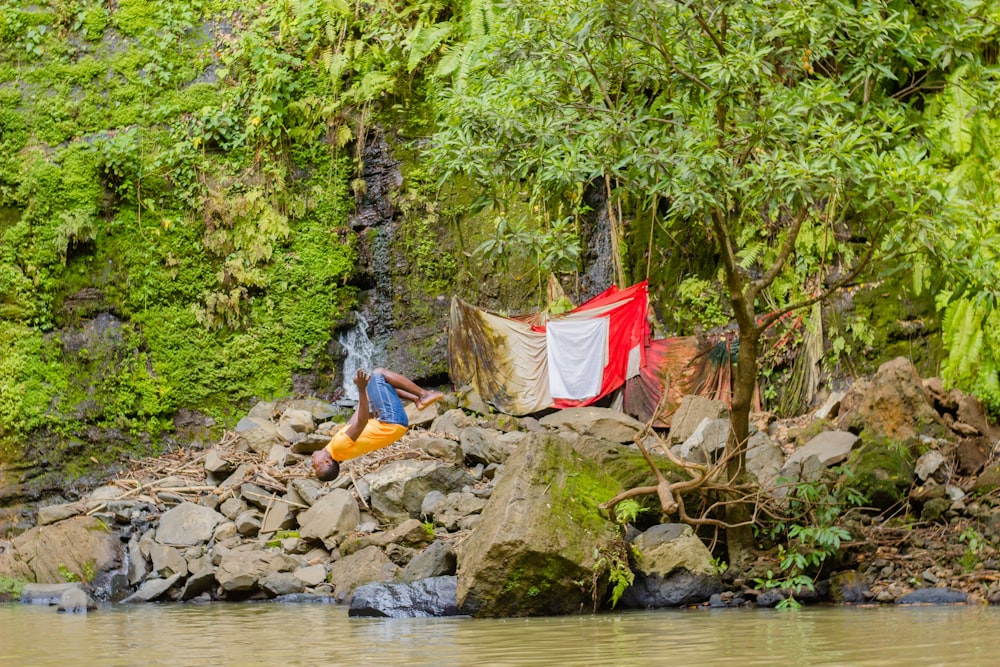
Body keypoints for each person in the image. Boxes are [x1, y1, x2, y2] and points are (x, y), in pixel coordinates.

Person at [311, 368, 444, 481]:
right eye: (316, 466)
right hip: (391, 421)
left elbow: (354, 421)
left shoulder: (336, 450)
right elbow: (361, 422)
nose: (312, 464)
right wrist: (361, 389)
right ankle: (423, 394)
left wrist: (365, 392)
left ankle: (416, 400)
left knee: (374, 385)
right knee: (378, 374)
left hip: (389, 422)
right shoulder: (339, 448)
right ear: (327, 462)